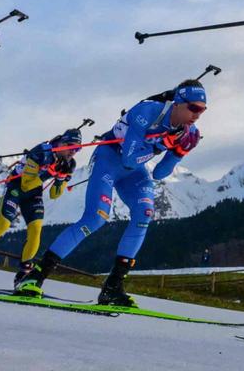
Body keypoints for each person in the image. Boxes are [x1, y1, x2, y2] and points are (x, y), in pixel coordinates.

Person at [13, 79, 205, 307]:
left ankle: (112, 288)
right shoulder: (147, 111)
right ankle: (34, 277)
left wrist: (181, 151)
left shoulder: (189, 132)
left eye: (202, 110)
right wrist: (160, 144)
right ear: (178, 103)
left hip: (134, 172)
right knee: (95, 219)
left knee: (145, 214)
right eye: (193, 108)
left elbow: (160, 173)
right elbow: (129, 157)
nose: (197, 115)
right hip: (109, 159)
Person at [0, 128, 82, 287]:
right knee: (2, 226)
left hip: (34, 192)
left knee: (36, 230)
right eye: (71, 146)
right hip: (16, 187)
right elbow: (26, 184)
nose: (73, 152)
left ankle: (23, 275)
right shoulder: (42, 151)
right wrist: (50, 172)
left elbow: (55, 195)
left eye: (78, 149)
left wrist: (61, 179)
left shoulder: (70, 163)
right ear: (62, 142)